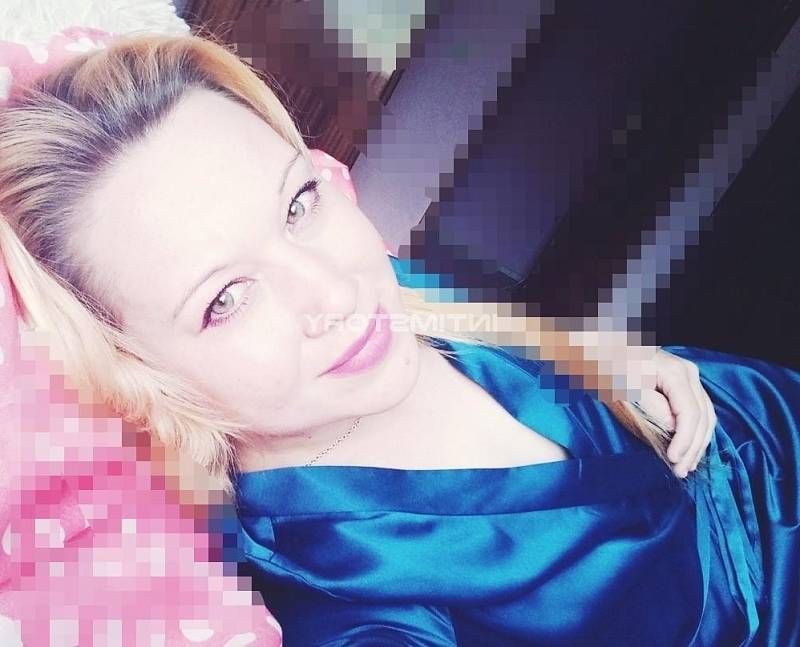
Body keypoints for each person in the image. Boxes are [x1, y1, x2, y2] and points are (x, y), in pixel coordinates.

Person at [0, 32, 796, 646]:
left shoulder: (385, 319)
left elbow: (453, 319)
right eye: (226, 300)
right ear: (137, 370)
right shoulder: (356, 608)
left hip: (760, 422)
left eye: (298, 203)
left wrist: (595, 362)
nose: (336, 291)